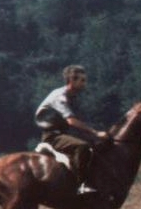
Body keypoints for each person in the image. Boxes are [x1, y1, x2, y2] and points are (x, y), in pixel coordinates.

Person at [35, 64, 110, 195]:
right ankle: (81, 185)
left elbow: (78, 121)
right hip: (53, 136)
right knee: (83, 146)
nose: (84, 84)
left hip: (65, 133)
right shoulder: (60, 97)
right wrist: (95, 132)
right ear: (71, 81)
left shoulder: (72, 97)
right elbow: (71, 121)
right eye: (82, 80)